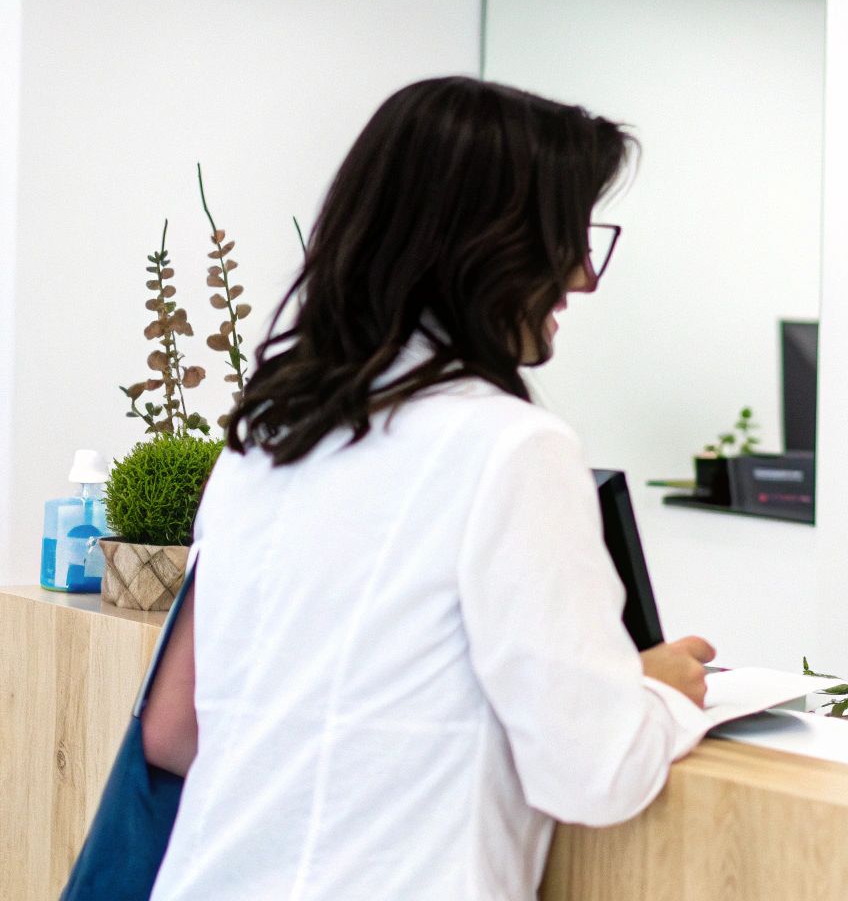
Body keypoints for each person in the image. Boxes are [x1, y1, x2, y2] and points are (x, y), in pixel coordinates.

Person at [140, 76, 719, 899]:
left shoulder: (263, 440)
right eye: (565, 236)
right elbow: (592, 771)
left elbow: (179, 730)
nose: (583, 277)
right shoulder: (511, 447)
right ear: (486, 244)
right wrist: (655, 694)